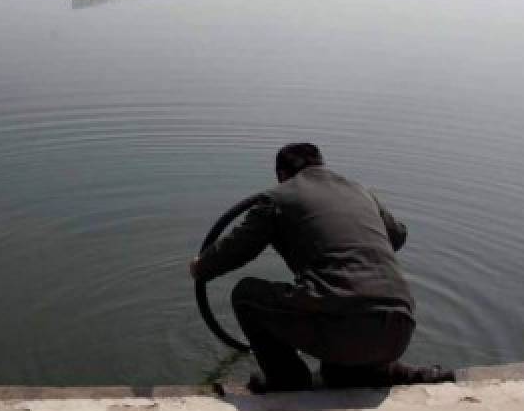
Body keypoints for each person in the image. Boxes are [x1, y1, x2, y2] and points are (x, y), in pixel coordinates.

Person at [189, 142, 452, 392]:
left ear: (282, 174)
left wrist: (201, 268)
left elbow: (236, 249)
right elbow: (397, 236)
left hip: (344, 329)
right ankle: (404, 374)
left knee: (246, 295)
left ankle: (287, 380)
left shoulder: (277, 198)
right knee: (338, 373)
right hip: (400, 327)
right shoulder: (359, 190)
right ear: (321, 165)